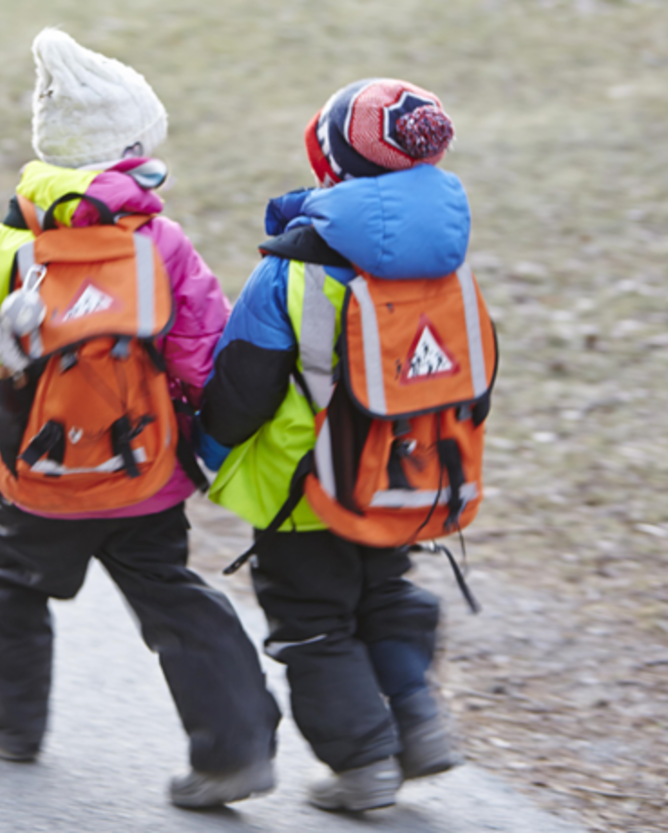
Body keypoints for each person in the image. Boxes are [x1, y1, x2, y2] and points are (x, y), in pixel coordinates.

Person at [0, 28, 280, 809]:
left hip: (34, 474)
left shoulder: (2, 241)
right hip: (142, 471)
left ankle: (7, 723)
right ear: (131, 152)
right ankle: (233, 750)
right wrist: (200, 435)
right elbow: (203, 353)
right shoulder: (162, 244)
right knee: (172, 597)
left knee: (11, 588)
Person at [199, 79, 472, 811]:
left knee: (311, 620)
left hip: (307, 485)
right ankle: (418, 721)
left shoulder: (294, 267)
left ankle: (362, 763)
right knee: (384, 591)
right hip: (406, 471)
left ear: (330, 165)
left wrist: (207, 450)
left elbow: (242, 385)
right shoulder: (445, 258)